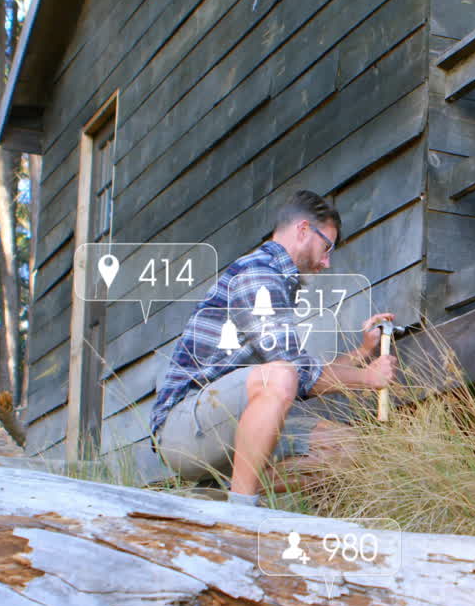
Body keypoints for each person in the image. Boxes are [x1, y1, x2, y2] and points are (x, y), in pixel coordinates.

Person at [150, 189, 397, 505]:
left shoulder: (276, 280)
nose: (326, 261)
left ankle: (215, 495)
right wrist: (368, 379)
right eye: (327, 247)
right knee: (279, 376)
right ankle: (241, 514)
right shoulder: (258, 273)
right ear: (303, 229)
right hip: (184, 430)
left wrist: (363, 353)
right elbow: (292, 373)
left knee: (351, 449)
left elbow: (300, 371)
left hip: (230, 425)